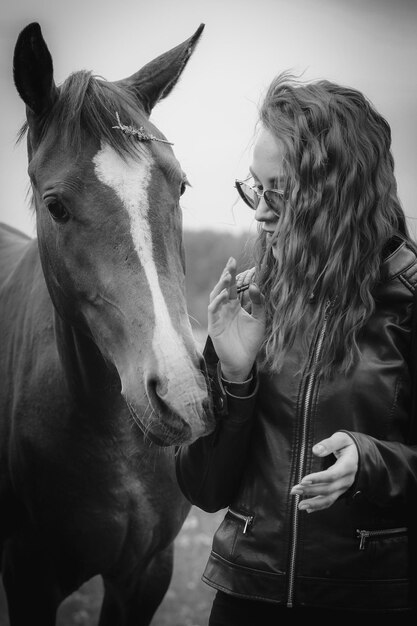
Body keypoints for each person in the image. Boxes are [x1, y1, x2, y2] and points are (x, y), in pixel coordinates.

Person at [175, 72, 417, 624]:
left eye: (279, 191)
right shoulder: (252, 301)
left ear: (342, 190)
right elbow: (203, 487)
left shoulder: (409, 298)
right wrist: (234, 380)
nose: (259, 212)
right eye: (255, 188)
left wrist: (373, 462)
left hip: (370, 602)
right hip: (244, 599)